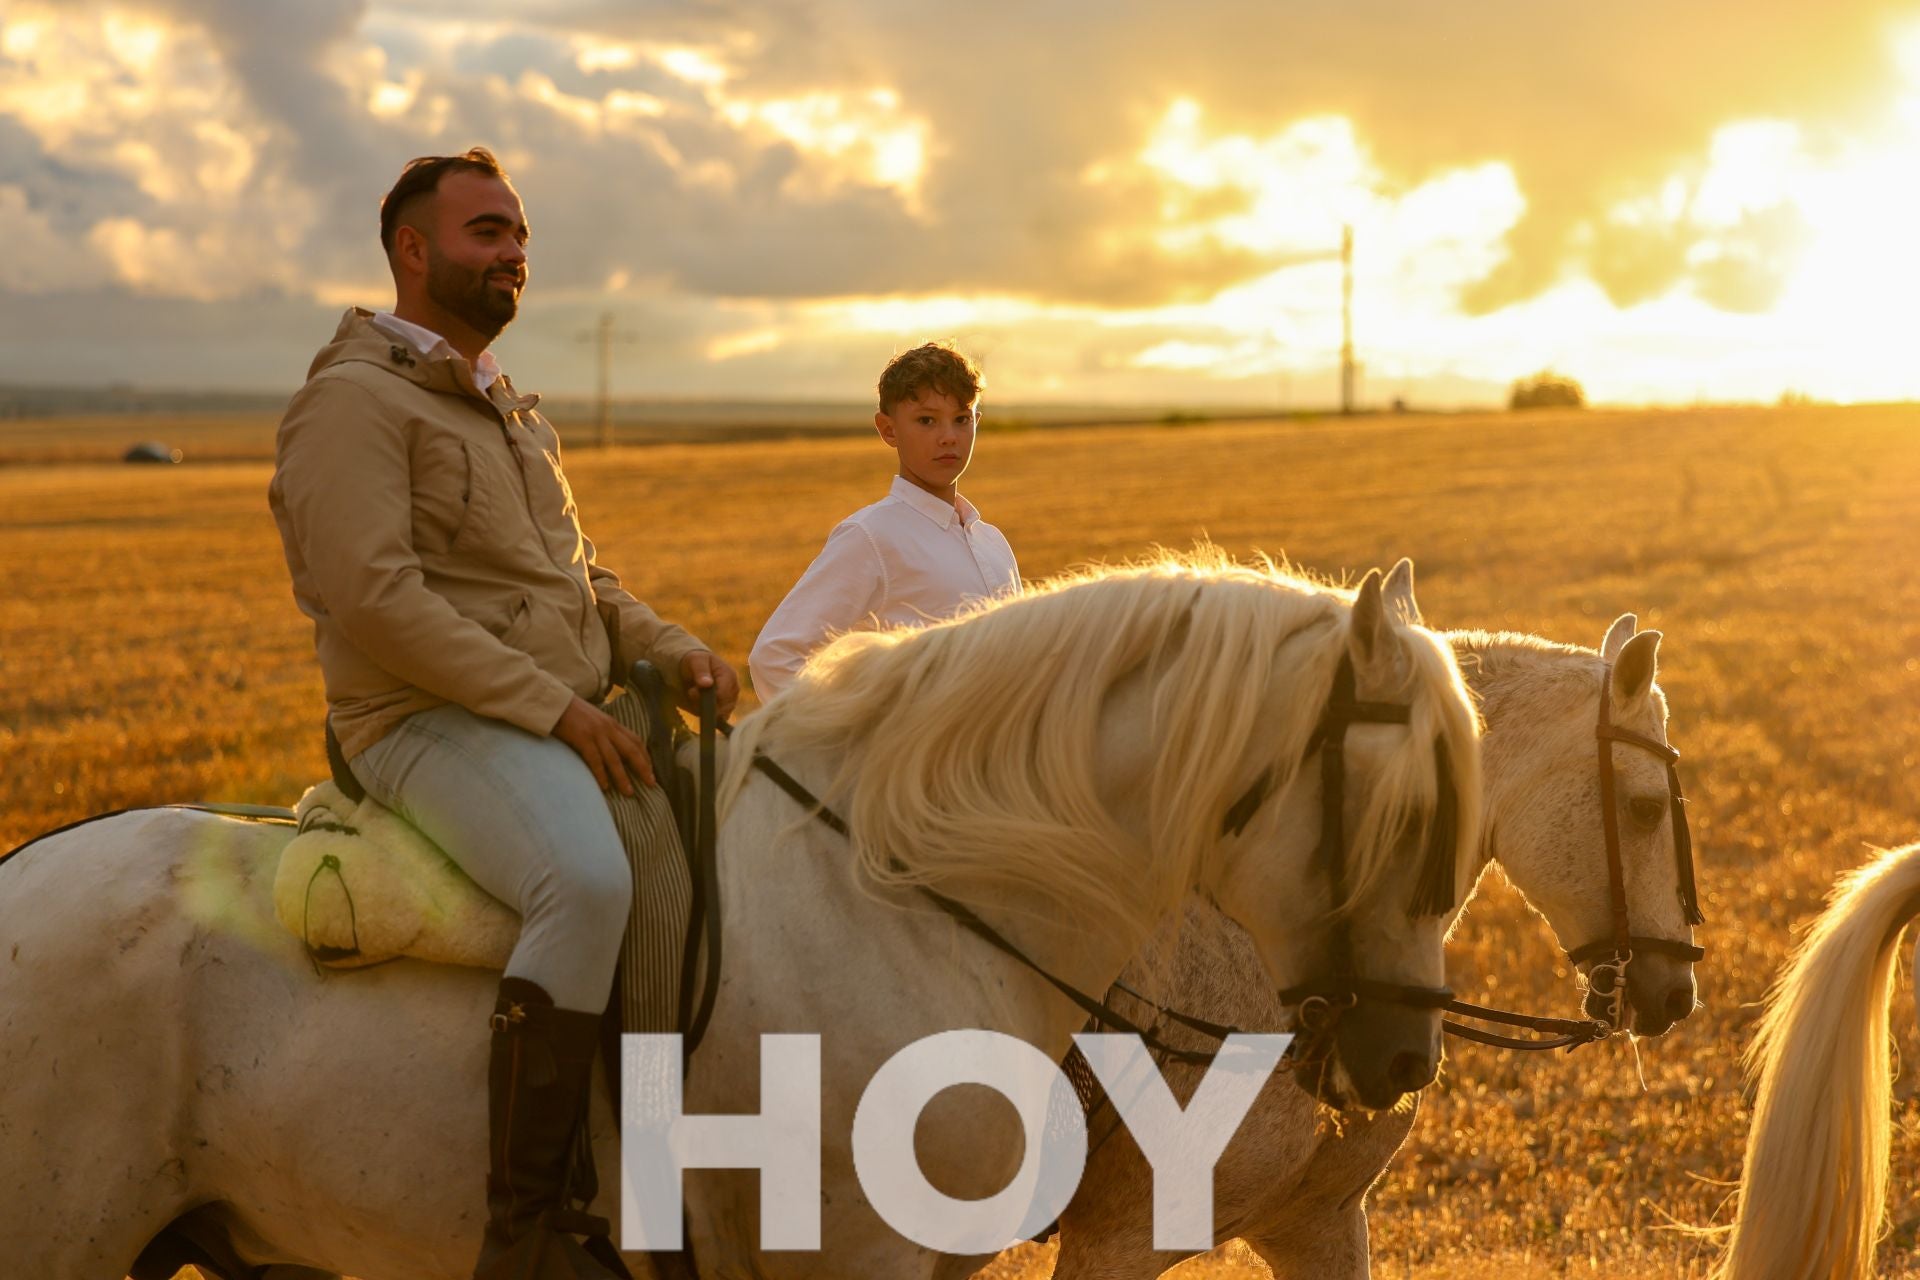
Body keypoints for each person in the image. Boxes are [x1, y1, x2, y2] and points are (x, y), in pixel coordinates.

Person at [267, 147, 738, 1278]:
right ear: (412, 249)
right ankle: (528, 1228)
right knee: (587, 881)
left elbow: (576, 581)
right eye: (487, 232)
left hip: (547, 706)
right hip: (417, 720)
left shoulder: (507, 407)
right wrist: (559, 711)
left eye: (520, 233)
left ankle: (660, 1192)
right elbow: (375, 600)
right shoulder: (352, 403)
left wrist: (671, 648)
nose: (514, 253)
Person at [749, 343, 1020, 699]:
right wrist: (854, 730)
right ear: (888, 429)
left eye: (961, 419)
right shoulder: (871, 536)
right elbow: (775, 656)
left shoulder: (992, 542)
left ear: (976, 422)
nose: (948, 437)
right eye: (926, 420)